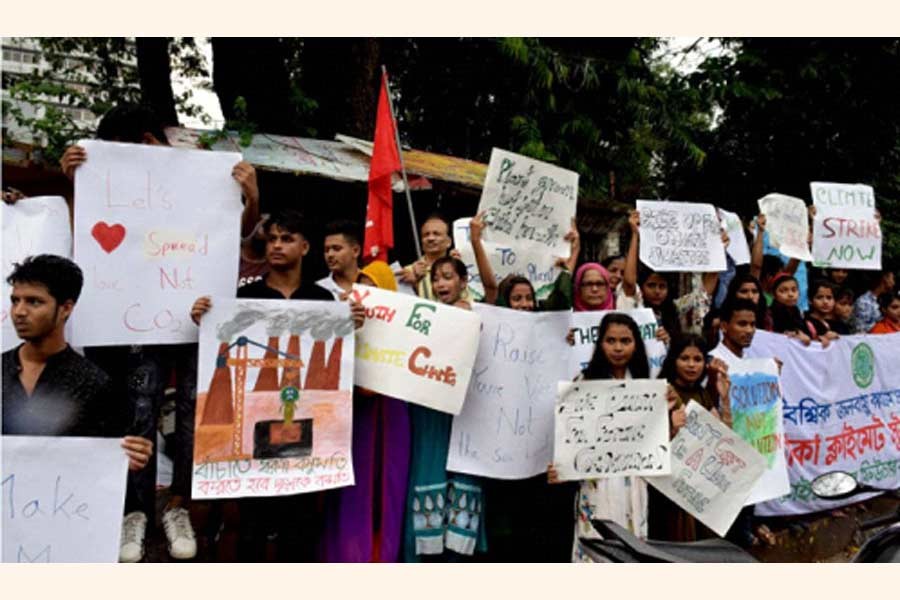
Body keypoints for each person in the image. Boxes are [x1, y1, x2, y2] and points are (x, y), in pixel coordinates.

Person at [59, 103, 262, 562]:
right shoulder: (107, 181)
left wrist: (252, 195)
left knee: (193, 415)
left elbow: (237, 237)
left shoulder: (202, 175)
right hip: (137, 324)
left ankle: (178, 507)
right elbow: (88, 238)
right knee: (139, 414)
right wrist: (78, 185)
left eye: (120, 148)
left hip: (194, 321)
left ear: (148, 142)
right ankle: (134, 513)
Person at [191, 209, 364, 562]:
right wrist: (204, 319)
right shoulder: (242, 298)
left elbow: (337, 361)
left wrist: (352, 327)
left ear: (304, 247)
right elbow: (218, 347)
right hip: (253, 439)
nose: (277, 246)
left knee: (298, 533)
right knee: (250, 532)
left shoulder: (323, 301)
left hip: (305, 440)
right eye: (271, 239)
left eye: (286, 239)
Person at [2, 255, 154, 500]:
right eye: (15, 301)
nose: (19, 312)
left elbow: (108, 465)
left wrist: (129, 455)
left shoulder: (96, 384)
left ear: (66, 308)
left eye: (34, 302)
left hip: (63, 517)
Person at [318, 261, 411, 562]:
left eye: (373, 287)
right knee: (355, 485)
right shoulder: (346, 319)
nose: (366, 293)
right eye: (362, 286)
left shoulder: (405, 329)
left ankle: (382, 555)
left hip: (392, 409)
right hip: (355, 412)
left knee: (389, 481)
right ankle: (347, 554)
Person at [403, 256, 486, 560]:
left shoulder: (478, 315)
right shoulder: (425, 317)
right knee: (429, 470)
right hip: (429, 409)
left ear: (463, 282)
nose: (441, 284)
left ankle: (460, 550)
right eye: (436, 278)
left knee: (460, 476)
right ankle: (425, 549)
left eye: (448, 277)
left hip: (461, 410)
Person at [648, 335, 731, 542]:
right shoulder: (664, 393)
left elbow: (725, 440)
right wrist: (671, 430)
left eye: (697, 359)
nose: (691, 365)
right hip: (672, 492)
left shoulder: (702, 393)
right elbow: (648, 446)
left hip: (701, 489)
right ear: (673, 360)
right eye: (684, 358)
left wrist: (725, 400)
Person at [400, 213, 460, 300]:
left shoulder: (459, 266)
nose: (430, 238)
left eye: (436, 234)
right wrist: (414, 284)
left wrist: (457, 269)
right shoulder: (408, 271)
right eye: (426, 235)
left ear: (449, 242)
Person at [317, 219, 375, 298]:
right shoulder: (318, 289)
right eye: (326, 250)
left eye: (337, 248)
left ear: (355, 251)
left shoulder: (375, 285)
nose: (330, 254)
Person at [769, 272, 815, 344]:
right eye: (783, 291)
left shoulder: (797, 311)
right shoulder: (770, 313)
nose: (790, 294)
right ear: (774, 294)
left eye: (794, 290)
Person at [805, 280, 842, 347]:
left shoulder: (838, 324)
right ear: (810, 300)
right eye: (819, 297)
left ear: (834, 301)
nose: (825, 302)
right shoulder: (804, 323)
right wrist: (818, 340)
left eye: (829, 298)